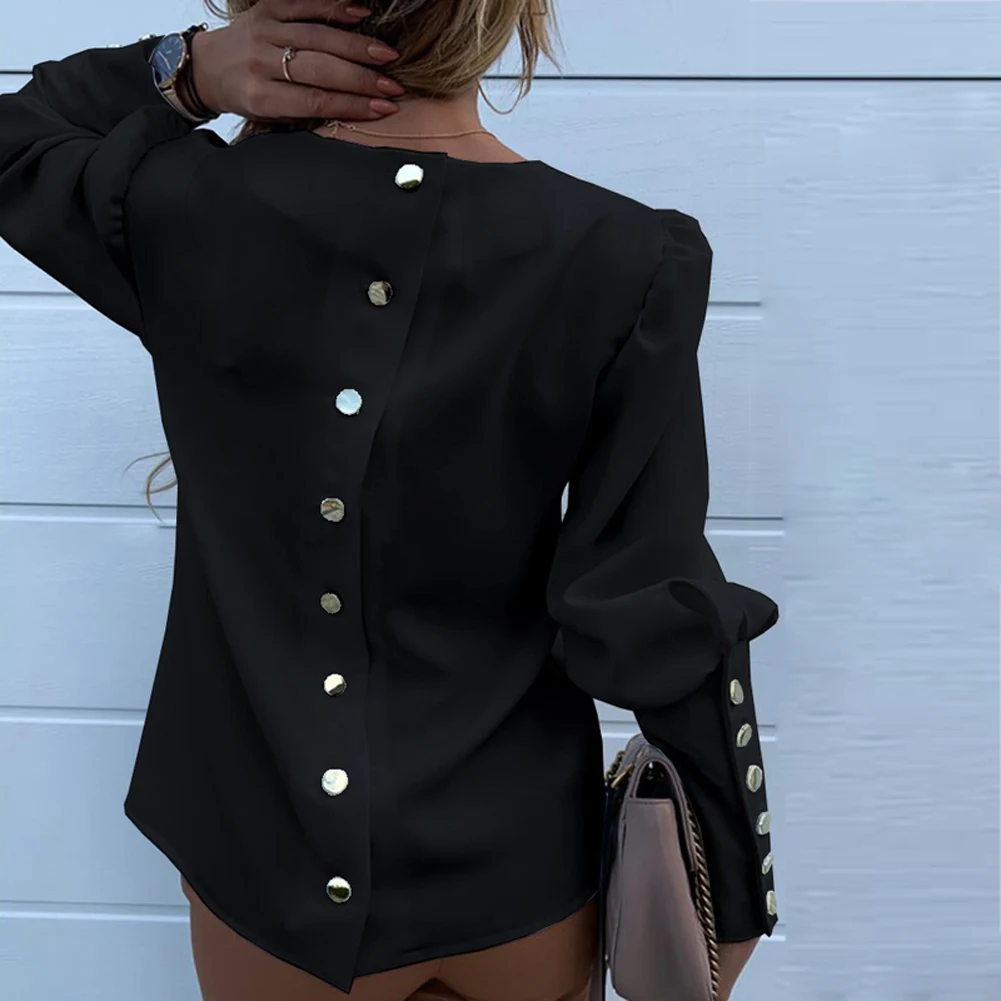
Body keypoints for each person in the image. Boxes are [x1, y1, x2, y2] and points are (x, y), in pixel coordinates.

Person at [0, 1, 780, 1000]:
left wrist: (187, 69)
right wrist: (732, 876)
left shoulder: (186, 206)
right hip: (515, 872)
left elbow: (21, 137)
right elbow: (644, 594)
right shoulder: (623, 253)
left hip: (269, 868)